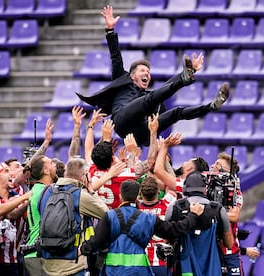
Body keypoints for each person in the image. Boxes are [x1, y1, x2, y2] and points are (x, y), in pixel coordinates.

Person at [76, 5, 230, 146]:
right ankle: (185, 79)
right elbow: (116, 57)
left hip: (141, 132)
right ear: (132, 75)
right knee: (151, 98)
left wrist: (193, 70)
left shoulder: (147, 96)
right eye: (143, 71)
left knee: (176, 112)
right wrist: (110, 31)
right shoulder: (122, 80)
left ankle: (211, 106)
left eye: (148, 72)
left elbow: (167, 85)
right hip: (122, 121)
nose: (147, 74)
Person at [80, 180, 205, 275]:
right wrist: (192, 215)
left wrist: (82, 249)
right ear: (137, 197)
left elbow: (96, 242)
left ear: (120, 196)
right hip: (139, 271)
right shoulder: (148, 218)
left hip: (114, 271)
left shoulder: (109, 216)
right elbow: (175, 230)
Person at [38, 158, 109, 276]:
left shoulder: (46, 192)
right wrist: (91, 190)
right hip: (73, 263)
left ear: (65, 173)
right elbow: (106, 214)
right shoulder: (80, 195)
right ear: (84, 176)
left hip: (48, 262)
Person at [165, 171, 234, 276]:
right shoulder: (218, 210)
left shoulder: (174, 208)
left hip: (184, 270)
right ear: (205, 189)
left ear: (185, 189)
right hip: (212, 270)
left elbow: (167, 239)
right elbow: (229, 244)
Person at [22, 154, 58, 276]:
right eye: (51, 163)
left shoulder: (37, 189)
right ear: (46, 171)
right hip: (38, 255)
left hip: (34, 253)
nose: (55, 165)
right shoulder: (46, 191)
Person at [0, 162, 28, 275]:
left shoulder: (18, 196)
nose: (11, 174)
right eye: (6, 171)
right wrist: (28, 198)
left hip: (14, 259)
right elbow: (9, 214)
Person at [211, 152, 243, 276]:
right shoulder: (206, 188)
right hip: (210, 251)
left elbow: (234, 216)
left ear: (226, 171)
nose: (213, 166)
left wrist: (211, 213)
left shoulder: (235, 192)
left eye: (218, 164)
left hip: (230, 252)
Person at [139, 176, 177, 276]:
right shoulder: (168, 205)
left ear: (141, 194)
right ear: (158, 192)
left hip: (141, 263)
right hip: (163, 262)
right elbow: (173, 190)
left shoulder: (135, 211)